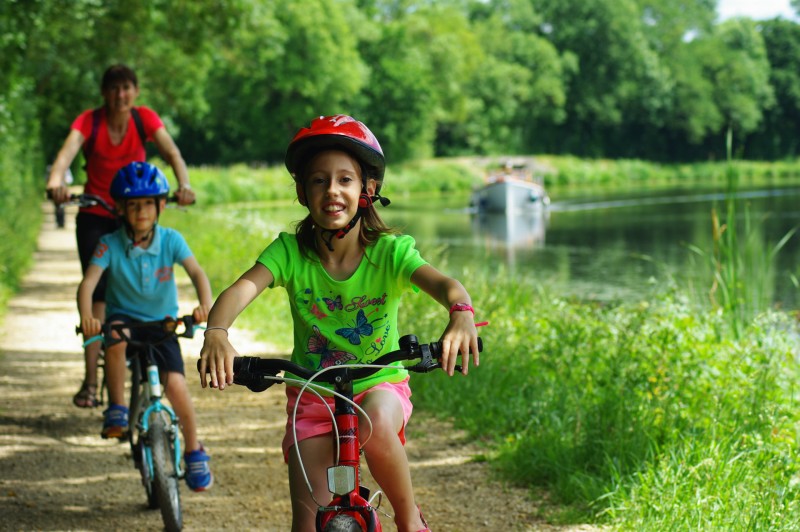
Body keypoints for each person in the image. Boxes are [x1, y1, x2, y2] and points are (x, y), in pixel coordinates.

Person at [199, 115, 480, 531]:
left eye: (345, 180)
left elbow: (447, 286)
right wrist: (217, 332)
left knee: (378, 424)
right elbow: (241, 290)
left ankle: (408, 519)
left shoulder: (390, 252)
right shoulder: (289, 253)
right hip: (313, 395)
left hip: (378, 384)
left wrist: (461, 315)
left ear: (367, 190)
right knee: (308, 521)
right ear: (302, 191)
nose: (332, 190)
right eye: (319, 180)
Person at [45, 64, 196, 409]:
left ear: (136, 91)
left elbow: (172, 153)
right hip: (97, 213)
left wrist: (184, 184)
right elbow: (67, 153)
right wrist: (57, 181)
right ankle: (92, 379)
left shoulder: (144, 119)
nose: (120, 95)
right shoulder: (90, 121)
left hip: (134, 207)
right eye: (114, 88)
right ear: (104, 93)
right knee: (97, 289)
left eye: (127, 87)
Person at [78, 161, 213, 492]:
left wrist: (204, 304)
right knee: (113, 337)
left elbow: (196, 273)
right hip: (124, 319)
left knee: (177, 386)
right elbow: (88, 284)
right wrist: (87, 316)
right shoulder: (109, 243)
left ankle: (195, 449)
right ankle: (117, 408)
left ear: (161, 206)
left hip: (160, 324)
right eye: (133, 205)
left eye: (148, 204)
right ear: (121, 208)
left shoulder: (171, 240)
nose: (141, 211)